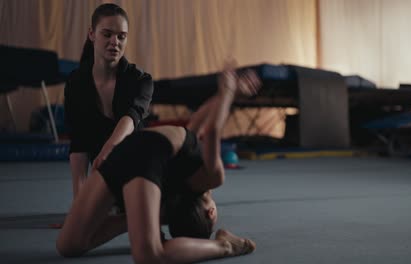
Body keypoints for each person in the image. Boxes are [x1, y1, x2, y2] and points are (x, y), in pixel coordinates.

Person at [56, 61, 261, 263]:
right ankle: (221, 245)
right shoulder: (180, 182)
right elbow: (199, 124)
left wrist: (228, 93)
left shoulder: (210, 178)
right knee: (143, 254)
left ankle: (223, 245)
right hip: (138, 153)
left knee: (69, 245)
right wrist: (223, 96)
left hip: (133, 152)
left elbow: (212, 130)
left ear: (211, 211)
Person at [64, 3, 154, 199]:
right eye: (107, 34)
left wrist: (107, 149)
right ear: (92, 34)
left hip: (139, 172)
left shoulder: (141, 81)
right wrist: (79, 206)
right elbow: (78, 144)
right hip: (104, 176)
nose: (115, 41)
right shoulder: (76, 83)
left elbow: (131, 117)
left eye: (121, 36)